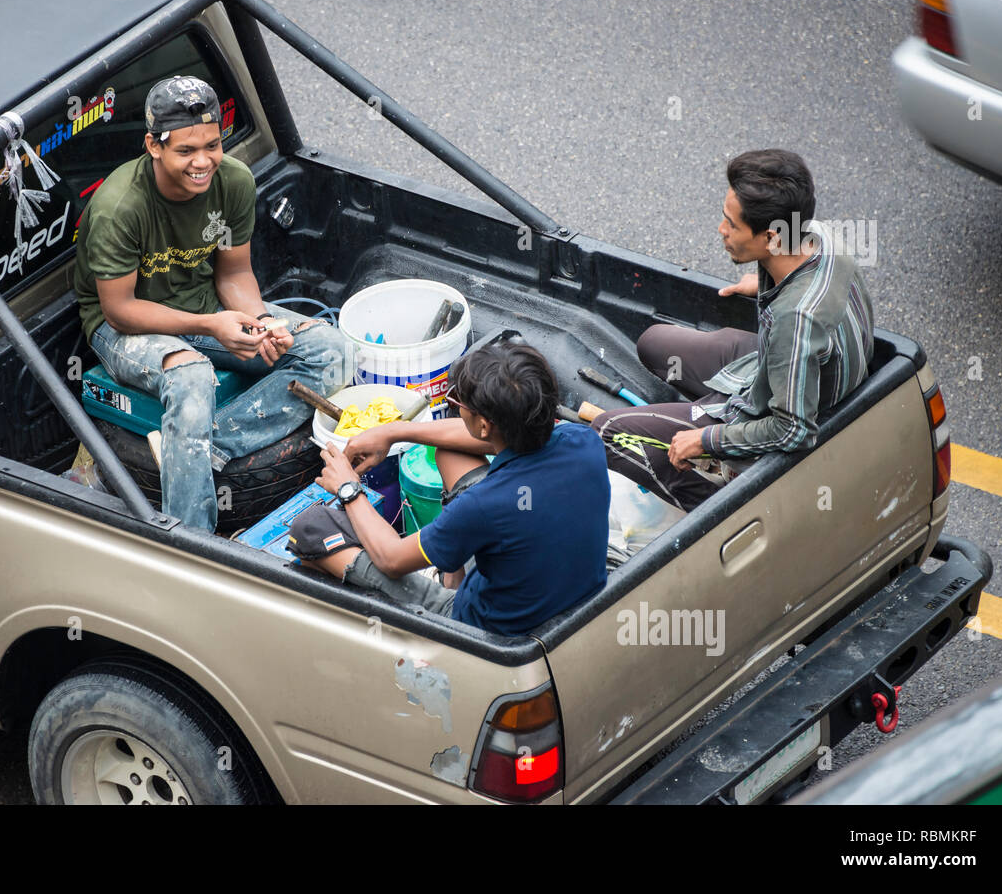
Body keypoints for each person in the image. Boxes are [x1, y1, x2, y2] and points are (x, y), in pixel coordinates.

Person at [74, 76, 348, 531]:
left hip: (204, 310)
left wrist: (259, 323)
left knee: (332, 351)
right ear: (153, 146)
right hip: (125, 328)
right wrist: (211, 325)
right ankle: (192, 541)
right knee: (191, 378)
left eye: (212, 146)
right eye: (186, 151)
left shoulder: (232, 181)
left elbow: (234, 273)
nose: (202, 162)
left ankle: (198, 447)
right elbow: (118, 309)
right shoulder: (120, 207)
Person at [590, 148, 875, 511]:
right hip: (775, 367)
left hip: (787, 405)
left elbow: (794, 430)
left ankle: (716, 510)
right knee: (653, 343)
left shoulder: (796, 320)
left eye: (732, 224)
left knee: (606, 432)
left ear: (772, 237)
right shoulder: (815, 236)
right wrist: (765, 282)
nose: (721, 230)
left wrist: (707, 440)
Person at [287, 343, 610, 636]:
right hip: (569, 594)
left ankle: (439, 599)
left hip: (492, 628)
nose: (456, 408)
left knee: (308, 529)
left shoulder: (484, 505)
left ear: (484, 425)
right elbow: (471, 438)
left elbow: (391, 559)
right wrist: (393, 433)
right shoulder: (584, 442)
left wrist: (348, 487)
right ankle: (451, 577)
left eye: (458, 403)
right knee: (450, 453)